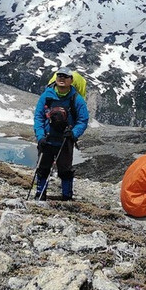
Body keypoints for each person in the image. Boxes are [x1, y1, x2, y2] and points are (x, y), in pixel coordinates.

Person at [32, 67, 89, 200]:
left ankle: (66, 197)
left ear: (71, 80)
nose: (62, 78)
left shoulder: (76, 99)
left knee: (65, 171)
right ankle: (40, 195)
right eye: (60, 76)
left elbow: (83, 120)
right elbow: (39, 117)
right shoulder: (46, 96)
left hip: (65, 141)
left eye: (65, 76)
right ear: (56, 78)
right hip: (47, 139)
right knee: (43, 169)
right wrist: (40, 137)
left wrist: (73, 134)